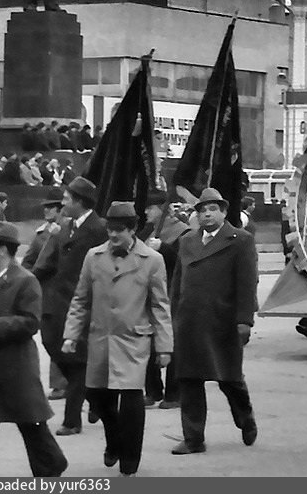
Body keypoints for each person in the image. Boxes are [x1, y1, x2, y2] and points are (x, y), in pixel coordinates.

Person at [62, 202, 171, 477]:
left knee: (132, 399)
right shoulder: (93, 257)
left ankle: (130, 462)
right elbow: (80, 299)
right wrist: (71, 334)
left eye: (120, 230)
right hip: (101, 337)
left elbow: (160, 305)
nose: (113, 235)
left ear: (133, 229)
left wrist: (165, 346)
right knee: (98, 397)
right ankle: (113, 441)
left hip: (134, 339)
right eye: (110, 229)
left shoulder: (152, 260)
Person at [0, 222, 68, 477]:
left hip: (16, 368)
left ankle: (51, 465)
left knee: (31, 425)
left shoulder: (26, 280)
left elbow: (31, 323)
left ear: (3, 250)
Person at [170, 188, 259, 455]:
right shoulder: (187, 241)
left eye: (212, 209)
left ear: (223, 212)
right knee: (189, 380)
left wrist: (244, 320)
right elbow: (177, 282)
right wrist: (172, 317)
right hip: (189, 321)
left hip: (224, 321)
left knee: (229, 379)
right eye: (202, 210)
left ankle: (245, 418)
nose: (207, 214)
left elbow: (247, 283)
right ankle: (193, 439)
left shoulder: (240, 240)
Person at [33, 176, 108, 436]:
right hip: (57, 304)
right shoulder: (64, 227)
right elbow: (46, 264)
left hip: (84, 305)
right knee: (53, 346)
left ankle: (72, 421)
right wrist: (24, 283)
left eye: (66, 199)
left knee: (77, 363)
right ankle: (96, 399)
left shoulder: (100, 229)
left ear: (79, 202)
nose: (62, 203)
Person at [138, 191, 188, 409]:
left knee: (172, 344)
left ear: (162, 209)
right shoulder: (148, 230)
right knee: (147, 342)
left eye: (150, 208)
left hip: (172, 294)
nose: (147, 212)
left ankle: (174, 393)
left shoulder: (182, 232)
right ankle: (153, 390)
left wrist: (164, 249)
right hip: (149, 294)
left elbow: (184, 263)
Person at [22, 188, 69, 402]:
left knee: (67, 336)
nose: (46, 211)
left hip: (69, 290)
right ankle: (61, 382)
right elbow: (29, 261)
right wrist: (31, 278)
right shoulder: (41, 234)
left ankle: (65, 383)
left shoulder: (70, 231)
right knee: (51, 337)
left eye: (50, 207)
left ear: (60, 209)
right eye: (45, 207)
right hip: (47, 292)